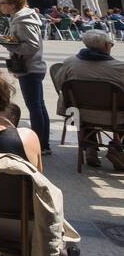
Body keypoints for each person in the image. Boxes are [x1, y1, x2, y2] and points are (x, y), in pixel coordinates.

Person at [50, 29, 124, 169]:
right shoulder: (119, 68)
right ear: (107, 46)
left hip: (78, 116)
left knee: (81, 106)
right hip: (116, 117)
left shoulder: (70, 63)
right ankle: (117, 146)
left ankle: (90, 147)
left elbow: (60, 84)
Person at [0, 0, 50, 156]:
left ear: (12, 5)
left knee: (35, 107)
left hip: (30, 67)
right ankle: (44, 143)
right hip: (33, 67)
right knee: (39, 106)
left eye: (2, 3)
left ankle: (40, 145)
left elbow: (32, 46)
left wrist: (6, 44)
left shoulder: (22, 19)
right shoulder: (22, 17)